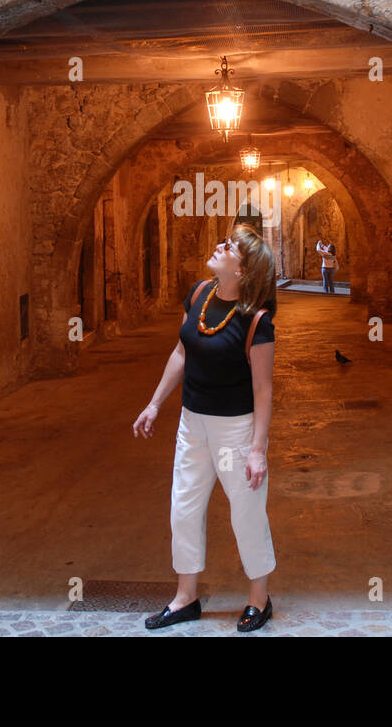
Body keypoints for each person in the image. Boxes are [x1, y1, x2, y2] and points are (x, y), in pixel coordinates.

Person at [133, 224, 278, 632]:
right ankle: (185, 598)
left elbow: (263, 390)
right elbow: (181, 352)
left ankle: (258, 599)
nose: (219, 245)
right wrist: (154, 403)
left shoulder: (256, 321)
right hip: (191, 422)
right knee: (184, 506)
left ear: (243, 271)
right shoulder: (200, 293)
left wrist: (256, 449)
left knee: (245, 513)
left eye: (229, 246)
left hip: (235, 428)